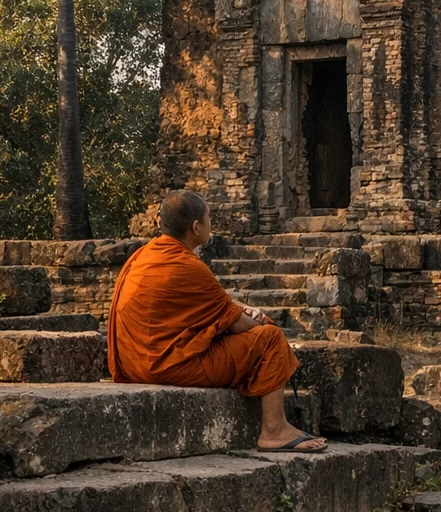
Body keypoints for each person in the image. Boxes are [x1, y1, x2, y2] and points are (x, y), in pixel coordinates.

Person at [107, 189, 327, 453]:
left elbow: (211, 305)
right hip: (166, 366)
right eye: (209, 217)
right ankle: (274, 430)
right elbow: (238, 324)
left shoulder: (142, 256)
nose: (211, 223)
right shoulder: (190, 267)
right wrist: (261, 322)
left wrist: (241, 310)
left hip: (134, 365)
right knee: (270, 339)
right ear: (196, 226)